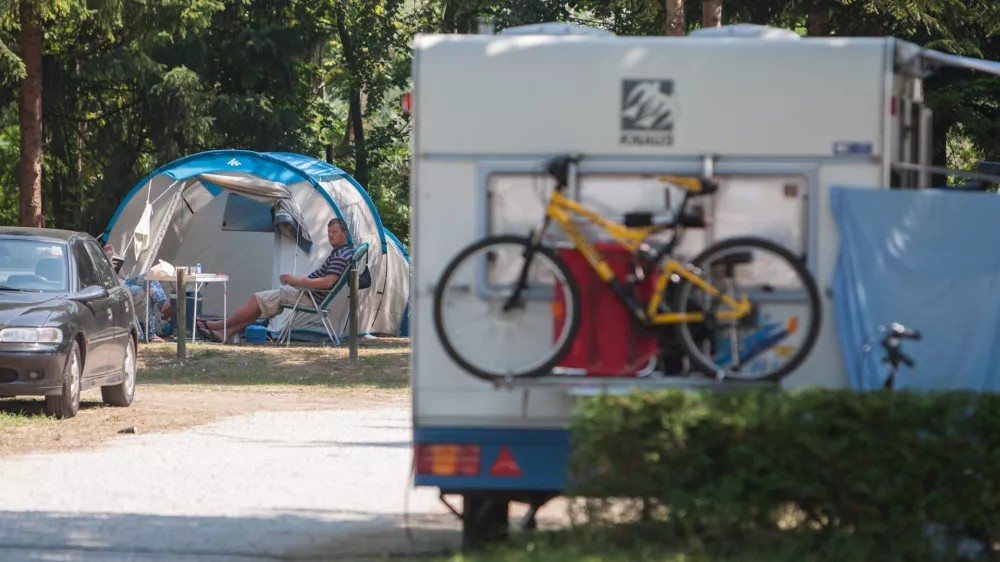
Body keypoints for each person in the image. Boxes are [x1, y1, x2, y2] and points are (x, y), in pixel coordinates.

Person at [195, 218, 354, 343]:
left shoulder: (341, 256)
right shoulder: (343, 252)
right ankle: (226, 332)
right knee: (261, 304)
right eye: (329, 232)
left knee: (257, 298)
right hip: (308, 294)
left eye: (334, 232)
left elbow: (327, 283)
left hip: (309, 297)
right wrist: (295, 282)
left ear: (344, 234)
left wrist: (297, 280)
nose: (330, 235)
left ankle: (218, 325)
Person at [102, 243, 174, 343]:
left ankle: (154, 328)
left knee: (150, 279)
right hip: (117, 288)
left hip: (126, 283)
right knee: (147, 288)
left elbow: (122, 277)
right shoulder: (95, 264)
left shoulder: (107, 257)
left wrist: (112, 255)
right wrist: (107, 267)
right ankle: (163, 309)